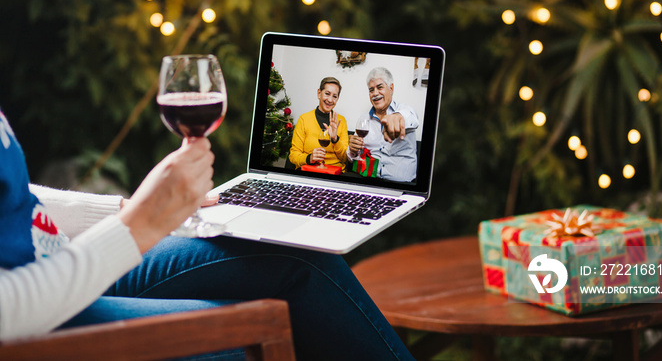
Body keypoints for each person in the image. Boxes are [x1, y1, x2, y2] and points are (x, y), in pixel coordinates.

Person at [0, 109, 415, 360]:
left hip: (55, 260)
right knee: (299, 324)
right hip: (37, 324)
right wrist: (139, 226)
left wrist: (124, 210)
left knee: (301, 262)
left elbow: (12, 193)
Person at [347, 67, 419, 182]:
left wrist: (398, 117)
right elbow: (351, 157)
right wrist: (352, 150)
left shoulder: (404, 110)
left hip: (401, 184)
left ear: (391, 88)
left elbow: (412, 117)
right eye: (371, 90)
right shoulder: (364, 119)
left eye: (380, 87)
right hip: (368, 179)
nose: (375, 93)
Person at [288, 77, 349, 172]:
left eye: (334, 96)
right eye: (327, 94)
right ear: (319, 93)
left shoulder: (341, 121)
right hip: (309, 170)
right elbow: (293, 155)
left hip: (334, 173)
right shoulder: (304, 119)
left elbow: (345, 158)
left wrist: (335, 140)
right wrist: (309, 158)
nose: (330, 100)